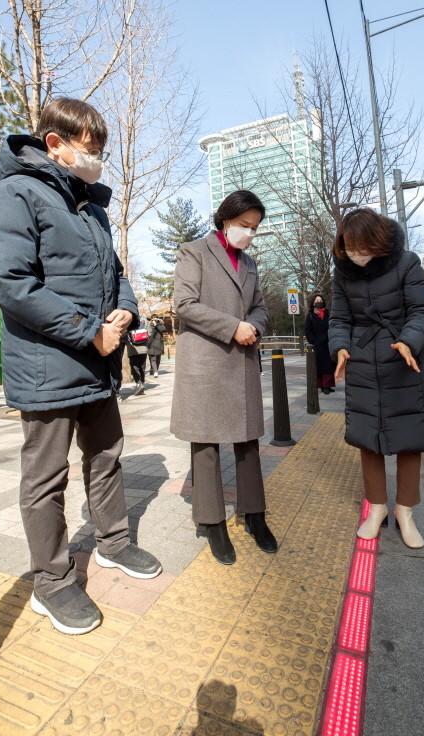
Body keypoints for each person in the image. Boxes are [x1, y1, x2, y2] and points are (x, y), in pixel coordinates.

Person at [0, 98, 162, 635]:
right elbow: (10, 282)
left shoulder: (91, 208)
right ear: (54, 143)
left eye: (102, 150)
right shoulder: (14, 194)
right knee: (46, 479)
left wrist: (125, 309)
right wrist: (89, 330)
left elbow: (117, 274)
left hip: (98, 365)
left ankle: (113, 543)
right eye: (91, 149)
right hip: (48, 367)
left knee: (106, 457)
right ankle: (53, 582)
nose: (98, 160)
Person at [171, 189, 277, 565]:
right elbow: (184, 305)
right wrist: (233, 327)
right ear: (226, 220)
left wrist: (254, 326)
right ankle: (212, 521)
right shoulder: (194, 251)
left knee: (248, 442)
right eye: (245, 225)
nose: (249, 233)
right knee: (205, 445)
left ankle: (255, 515)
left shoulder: (249, 263)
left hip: (242, 360)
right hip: (205, 362)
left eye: (255, 228)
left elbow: (260, 307)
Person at [329, 208, 424, 549]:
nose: (355, 254)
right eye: (349, 247)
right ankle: (377, 507)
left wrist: (409, 340)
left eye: (360, 246)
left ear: (376, 240)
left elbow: (422, 310)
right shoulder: (343, 272)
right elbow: (339, 319)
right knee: (368, 437)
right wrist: (340, 348)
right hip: (363, 360)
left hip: (404, 359)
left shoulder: (406, 262)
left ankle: (405, 511)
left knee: (410, 436)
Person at [304, 292, 336, 394]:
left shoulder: (327, 313)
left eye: (320, 300)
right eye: (317, 301)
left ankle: (328, 385)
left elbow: (332, 325)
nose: (319, 302)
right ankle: (322, 385)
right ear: (313, 303)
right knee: (319, 366)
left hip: (328, 343)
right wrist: (313, 340)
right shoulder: (310, 315)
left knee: (329, 365)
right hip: (317, 344)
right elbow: (307, 330)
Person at [126, 319, 149, 396]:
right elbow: (149, 333)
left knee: (135, 367)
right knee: (142, 367)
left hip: (132, 349)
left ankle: (139, 384)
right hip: (143, 348)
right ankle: (142, 384)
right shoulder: (144, 321)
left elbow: (124, 336)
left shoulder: (128, 322)